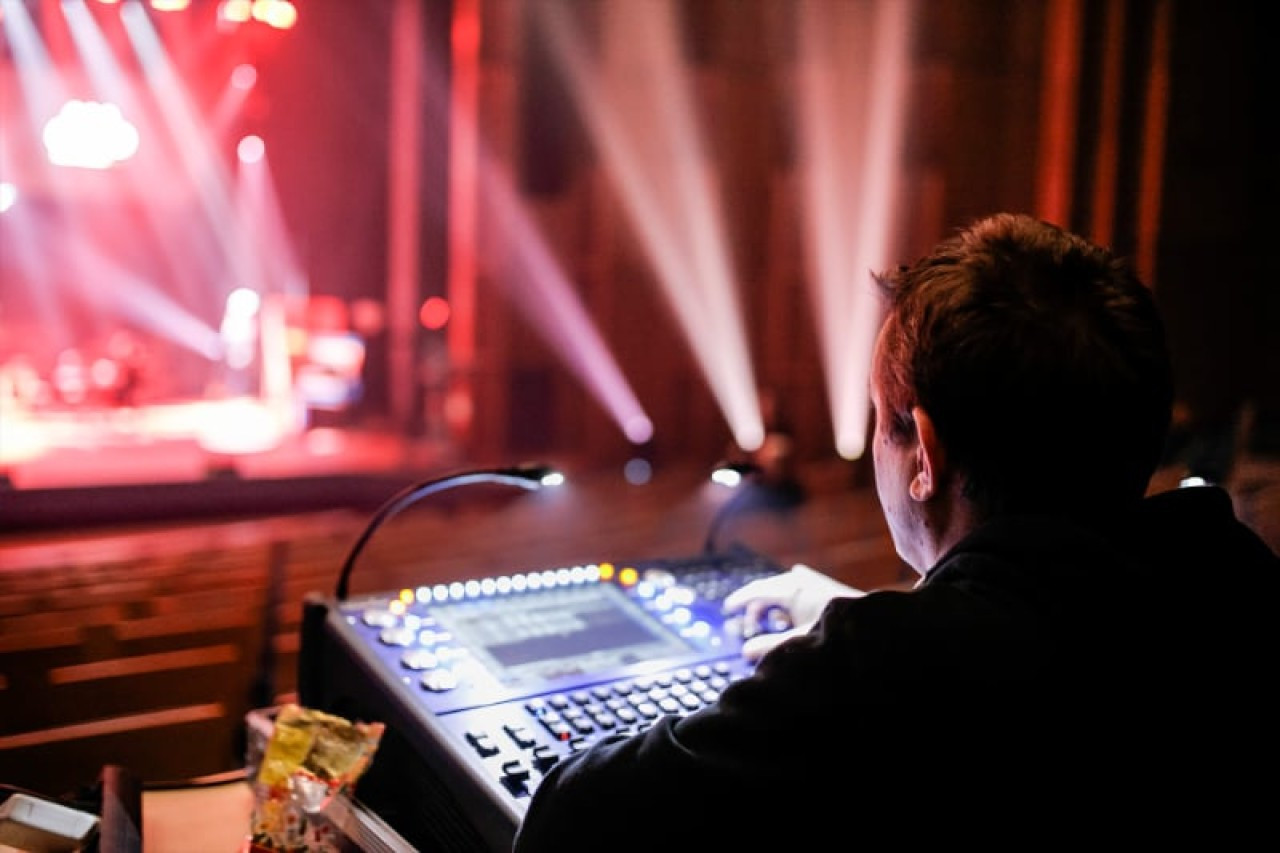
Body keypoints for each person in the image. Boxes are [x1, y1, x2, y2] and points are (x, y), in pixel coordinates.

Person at [512, 213, 1277, 850]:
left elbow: (568, 819)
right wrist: (873, 610)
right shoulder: (1231, 575)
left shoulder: (883, 670)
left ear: (926, 454)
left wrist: (849, 648)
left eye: (881, 421)